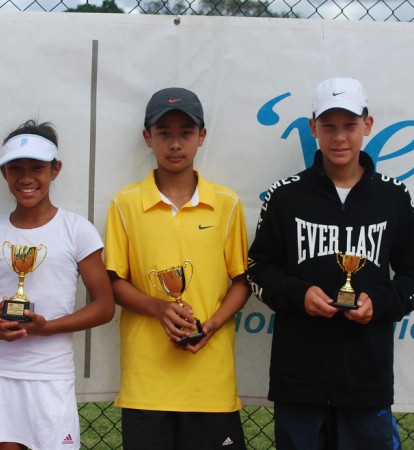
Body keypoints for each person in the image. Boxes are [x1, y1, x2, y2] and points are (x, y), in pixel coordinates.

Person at [247, 77, 414, 450]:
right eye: (329, 126)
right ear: (313, 127)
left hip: (366, 378)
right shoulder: (285, 196)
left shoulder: (393, 197)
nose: (339, 138)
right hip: (298, 378)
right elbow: (257, 269)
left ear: (367, 125)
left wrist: (378, 303)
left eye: (349, 125)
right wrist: (298, 295)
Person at [104, 87, 250, 449]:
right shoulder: (125, 203)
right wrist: (159, 308)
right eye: (164, 133)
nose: (174, 144)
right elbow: (114, 282)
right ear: (147, 138)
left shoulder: (227, 204)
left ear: (202, 136)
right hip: (146, 384)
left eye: (185, 133)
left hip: (210, 382)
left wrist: (212, 325)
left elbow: (242, 281)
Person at [0, 120, 114, 450]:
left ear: (55, 170)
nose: (26, 178)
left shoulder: (77, 230)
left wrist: (48, 328)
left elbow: (104, 306)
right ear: (4, 173)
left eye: (37, 167)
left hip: (51, 373)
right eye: (15, 168)